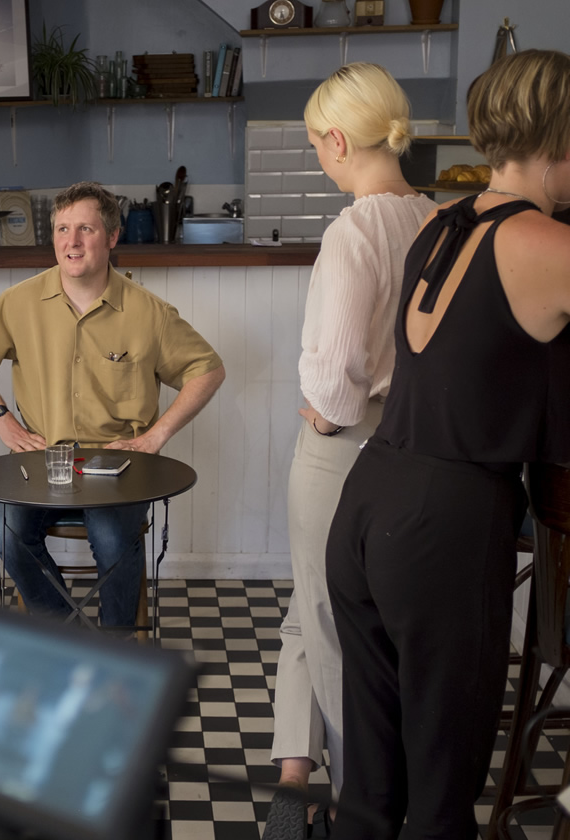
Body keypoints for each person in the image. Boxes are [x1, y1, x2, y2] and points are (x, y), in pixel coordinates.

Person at [325, 49, 570, 839]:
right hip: (448, 522)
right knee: (441, 792)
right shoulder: (549, 248)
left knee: (372, 783)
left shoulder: (439, 223)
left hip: (368, 505)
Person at [262, 64, 437, 839]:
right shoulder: (436, 218)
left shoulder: (353, 229)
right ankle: (296, 775)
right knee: (334, 612)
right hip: (412, 450)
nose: (316, 158)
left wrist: (327, 416)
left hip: (342, 451)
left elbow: (333, 384)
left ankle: (357, 800)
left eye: (313, 145)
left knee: (332, 627)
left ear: (338, 141)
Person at [0, 181, 224, 629]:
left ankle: (117, 646)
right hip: (41, 460)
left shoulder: (149, 313)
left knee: (113, 539)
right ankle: (66, 631)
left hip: (119, 466)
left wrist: (156, 436)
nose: (71, 242)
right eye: (62, 229)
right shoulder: (19, 302)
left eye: (85, 229)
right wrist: (2, 419)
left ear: (112, 237)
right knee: (6, 530)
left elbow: (208, 370)